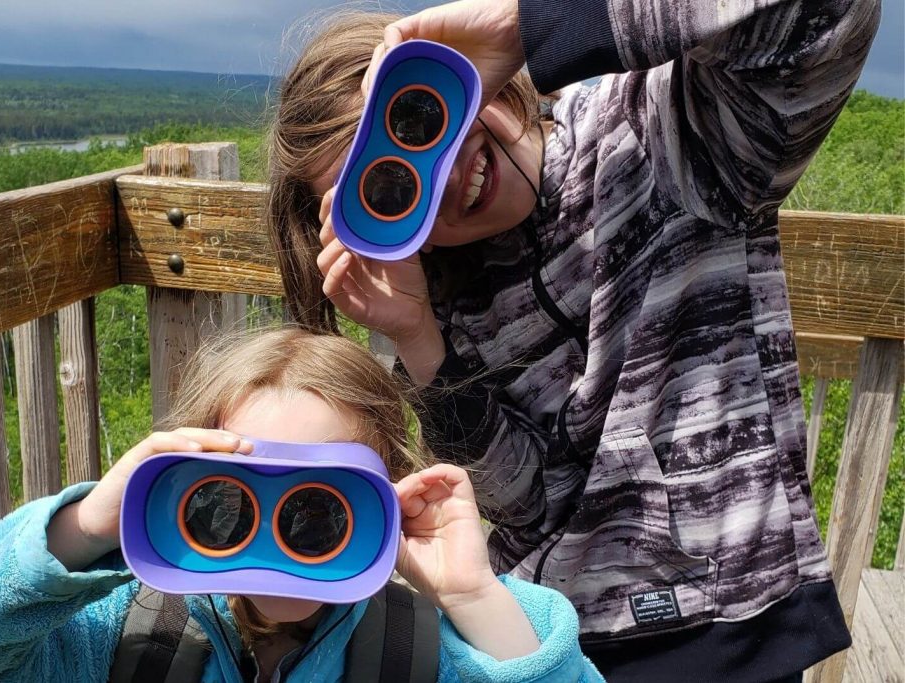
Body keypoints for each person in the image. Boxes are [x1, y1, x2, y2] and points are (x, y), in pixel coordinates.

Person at [265, 1, 880, 681]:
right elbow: (526, 502)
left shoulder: (657, 137)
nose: (439, 181)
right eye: (388, 190)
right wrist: (419, 338)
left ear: (454, 76)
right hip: (544, 639)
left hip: (722, 624)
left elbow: (823, 14)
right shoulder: (441, 291)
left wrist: (537, 24)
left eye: (418, 121)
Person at [0, 329, 603, 683]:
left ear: (382, 497)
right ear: (177, 492)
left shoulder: (424, 645)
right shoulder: (122, 633)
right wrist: (86, 526)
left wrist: (470, 594)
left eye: (317, 512)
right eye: (224, 506)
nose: (273, 544)